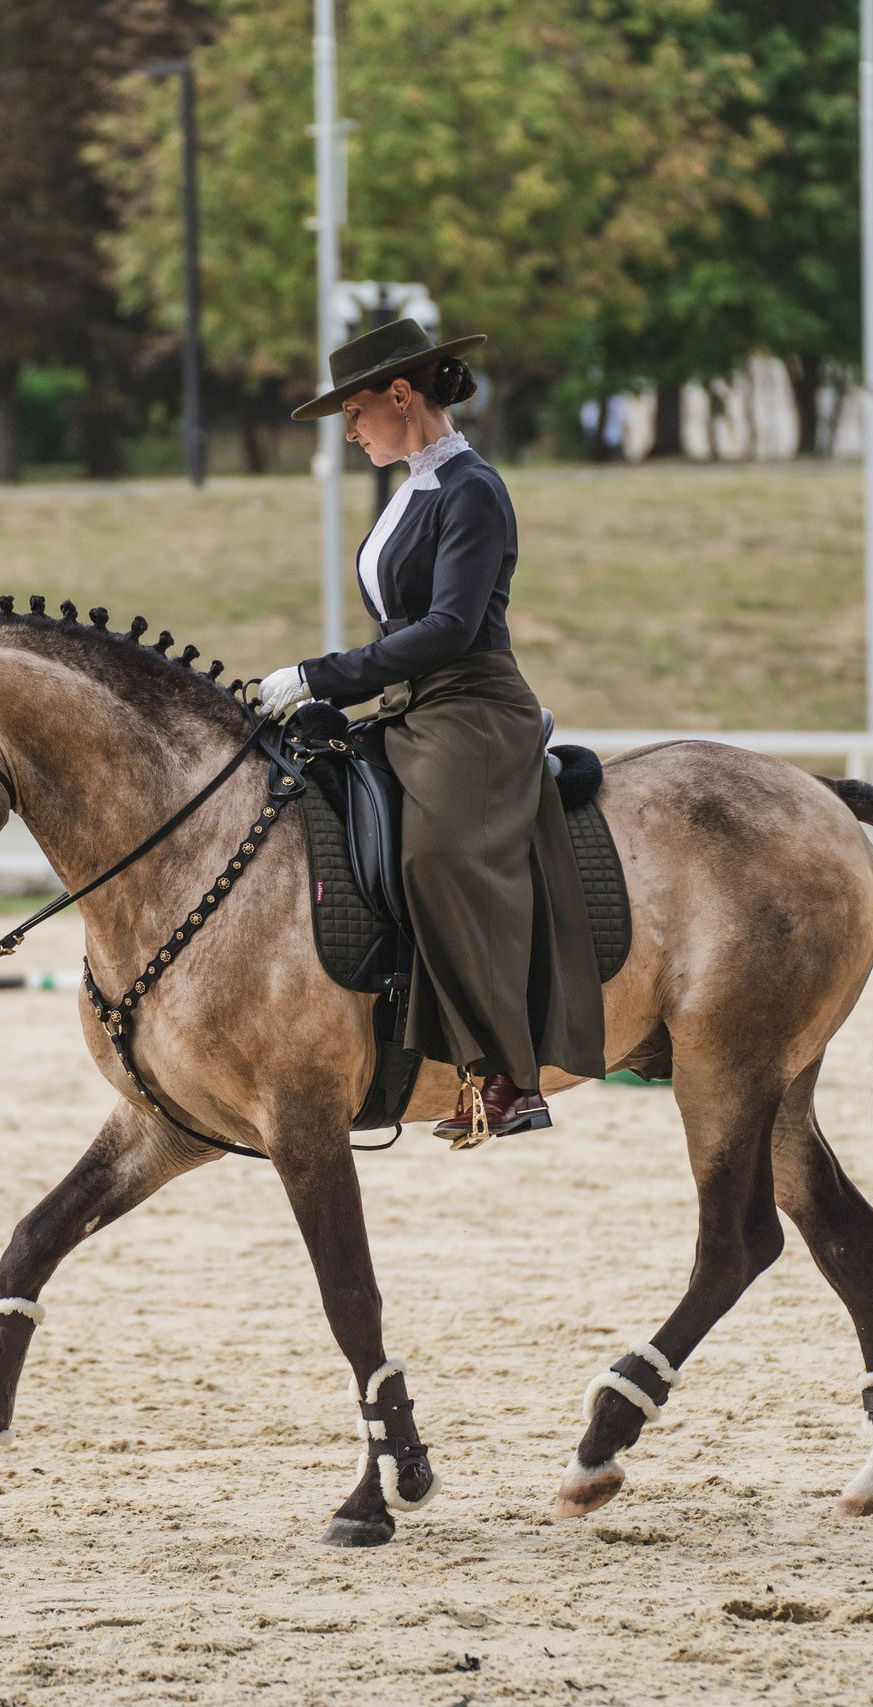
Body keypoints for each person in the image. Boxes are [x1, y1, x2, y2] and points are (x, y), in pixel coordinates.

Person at [254, 319, 604, 1140]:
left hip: (474, 706)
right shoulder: (414, 487)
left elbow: (449, 627)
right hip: (413, 705)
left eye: (355, 412)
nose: (350, 431)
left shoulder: (472, 488)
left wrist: (321, 674)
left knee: (434, 854)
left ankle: (509, 1073)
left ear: (401, 394)